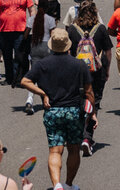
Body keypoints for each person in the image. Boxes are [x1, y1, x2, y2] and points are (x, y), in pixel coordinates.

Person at [21, 28, 94, 190]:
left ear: (52, 46)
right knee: (74, 149)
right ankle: (68, 184)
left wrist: (42, 93)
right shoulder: (79, 64)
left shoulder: (42, 64)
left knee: (55, 150)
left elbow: (25, 81)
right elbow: (89, 92)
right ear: (68, 46)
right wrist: (93, 114)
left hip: (53, 111)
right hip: (74, 111)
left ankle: (57, 185)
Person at [66, 0, 114, 156]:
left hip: (76, 72)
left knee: (79, 101)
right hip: (96, 71)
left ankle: (79, 134)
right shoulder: (100, 29)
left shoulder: (72, 30)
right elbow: (107, 52)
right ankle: (88, 138)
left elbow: (67, 52)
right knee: (95, 102)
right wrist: (107, 70)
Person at [23, 11, 57, 114]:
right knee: (48, 74)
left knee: (33, 75)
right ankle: (48, 98)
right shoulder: (50, 19)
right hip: (46, 47)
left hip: (35, 46)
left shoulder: (32, 19)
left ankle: (30, 99)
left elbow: (26, 34)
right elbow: (53, 34)